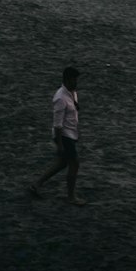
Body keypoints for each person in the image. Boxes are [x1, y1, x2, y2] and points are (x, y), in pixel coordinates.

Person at [29, 67, 85, 205]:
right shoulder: (60, 98)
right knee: (74, 163)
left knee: (62, 163)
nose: (76, 82)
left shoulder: (72, 92)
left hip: (70, 134)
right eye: (73, 79)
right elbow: (57, 124)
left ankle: (36, 184)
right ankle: (71, 197)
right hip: (64, 135)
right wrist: (60, 145)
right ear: (66, 80)